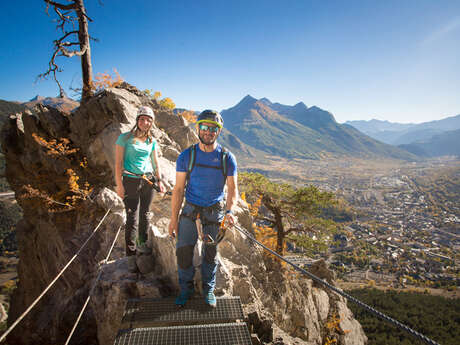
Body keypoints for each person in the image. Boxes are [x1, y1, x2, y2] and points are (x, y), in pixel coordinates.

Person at [169, 110, 238, 307]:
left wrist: (230, 212)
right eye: (205, 127)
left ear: (218, 132)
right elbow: (179, 189)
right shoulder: (186, 156)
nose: (208, 132)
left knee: (210, 253)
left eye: (213, 128)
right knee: (183, 252)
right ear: (197, 128)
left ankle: (208, 289)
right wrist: (173, 219)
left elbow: (233, 189)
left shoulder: (227, 158)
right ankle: (186, 289)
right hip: (190, 209)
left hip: (214, 211)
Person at [115, 106, 165, 256]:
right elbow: (118, 164)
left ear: (152, 123)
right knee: (132, 217)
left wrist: (160, 181)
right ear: (137, 121)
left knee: (145, 214)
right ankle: (131, 254)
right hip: (131, 180)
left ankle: (142, 245)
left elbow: (155, 162)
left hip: (148, 180)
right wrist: (119, 186)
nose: (145, 122)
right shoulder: (124, 138)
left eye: (149, 120)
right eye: (142, 119)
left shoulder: (151, 141)